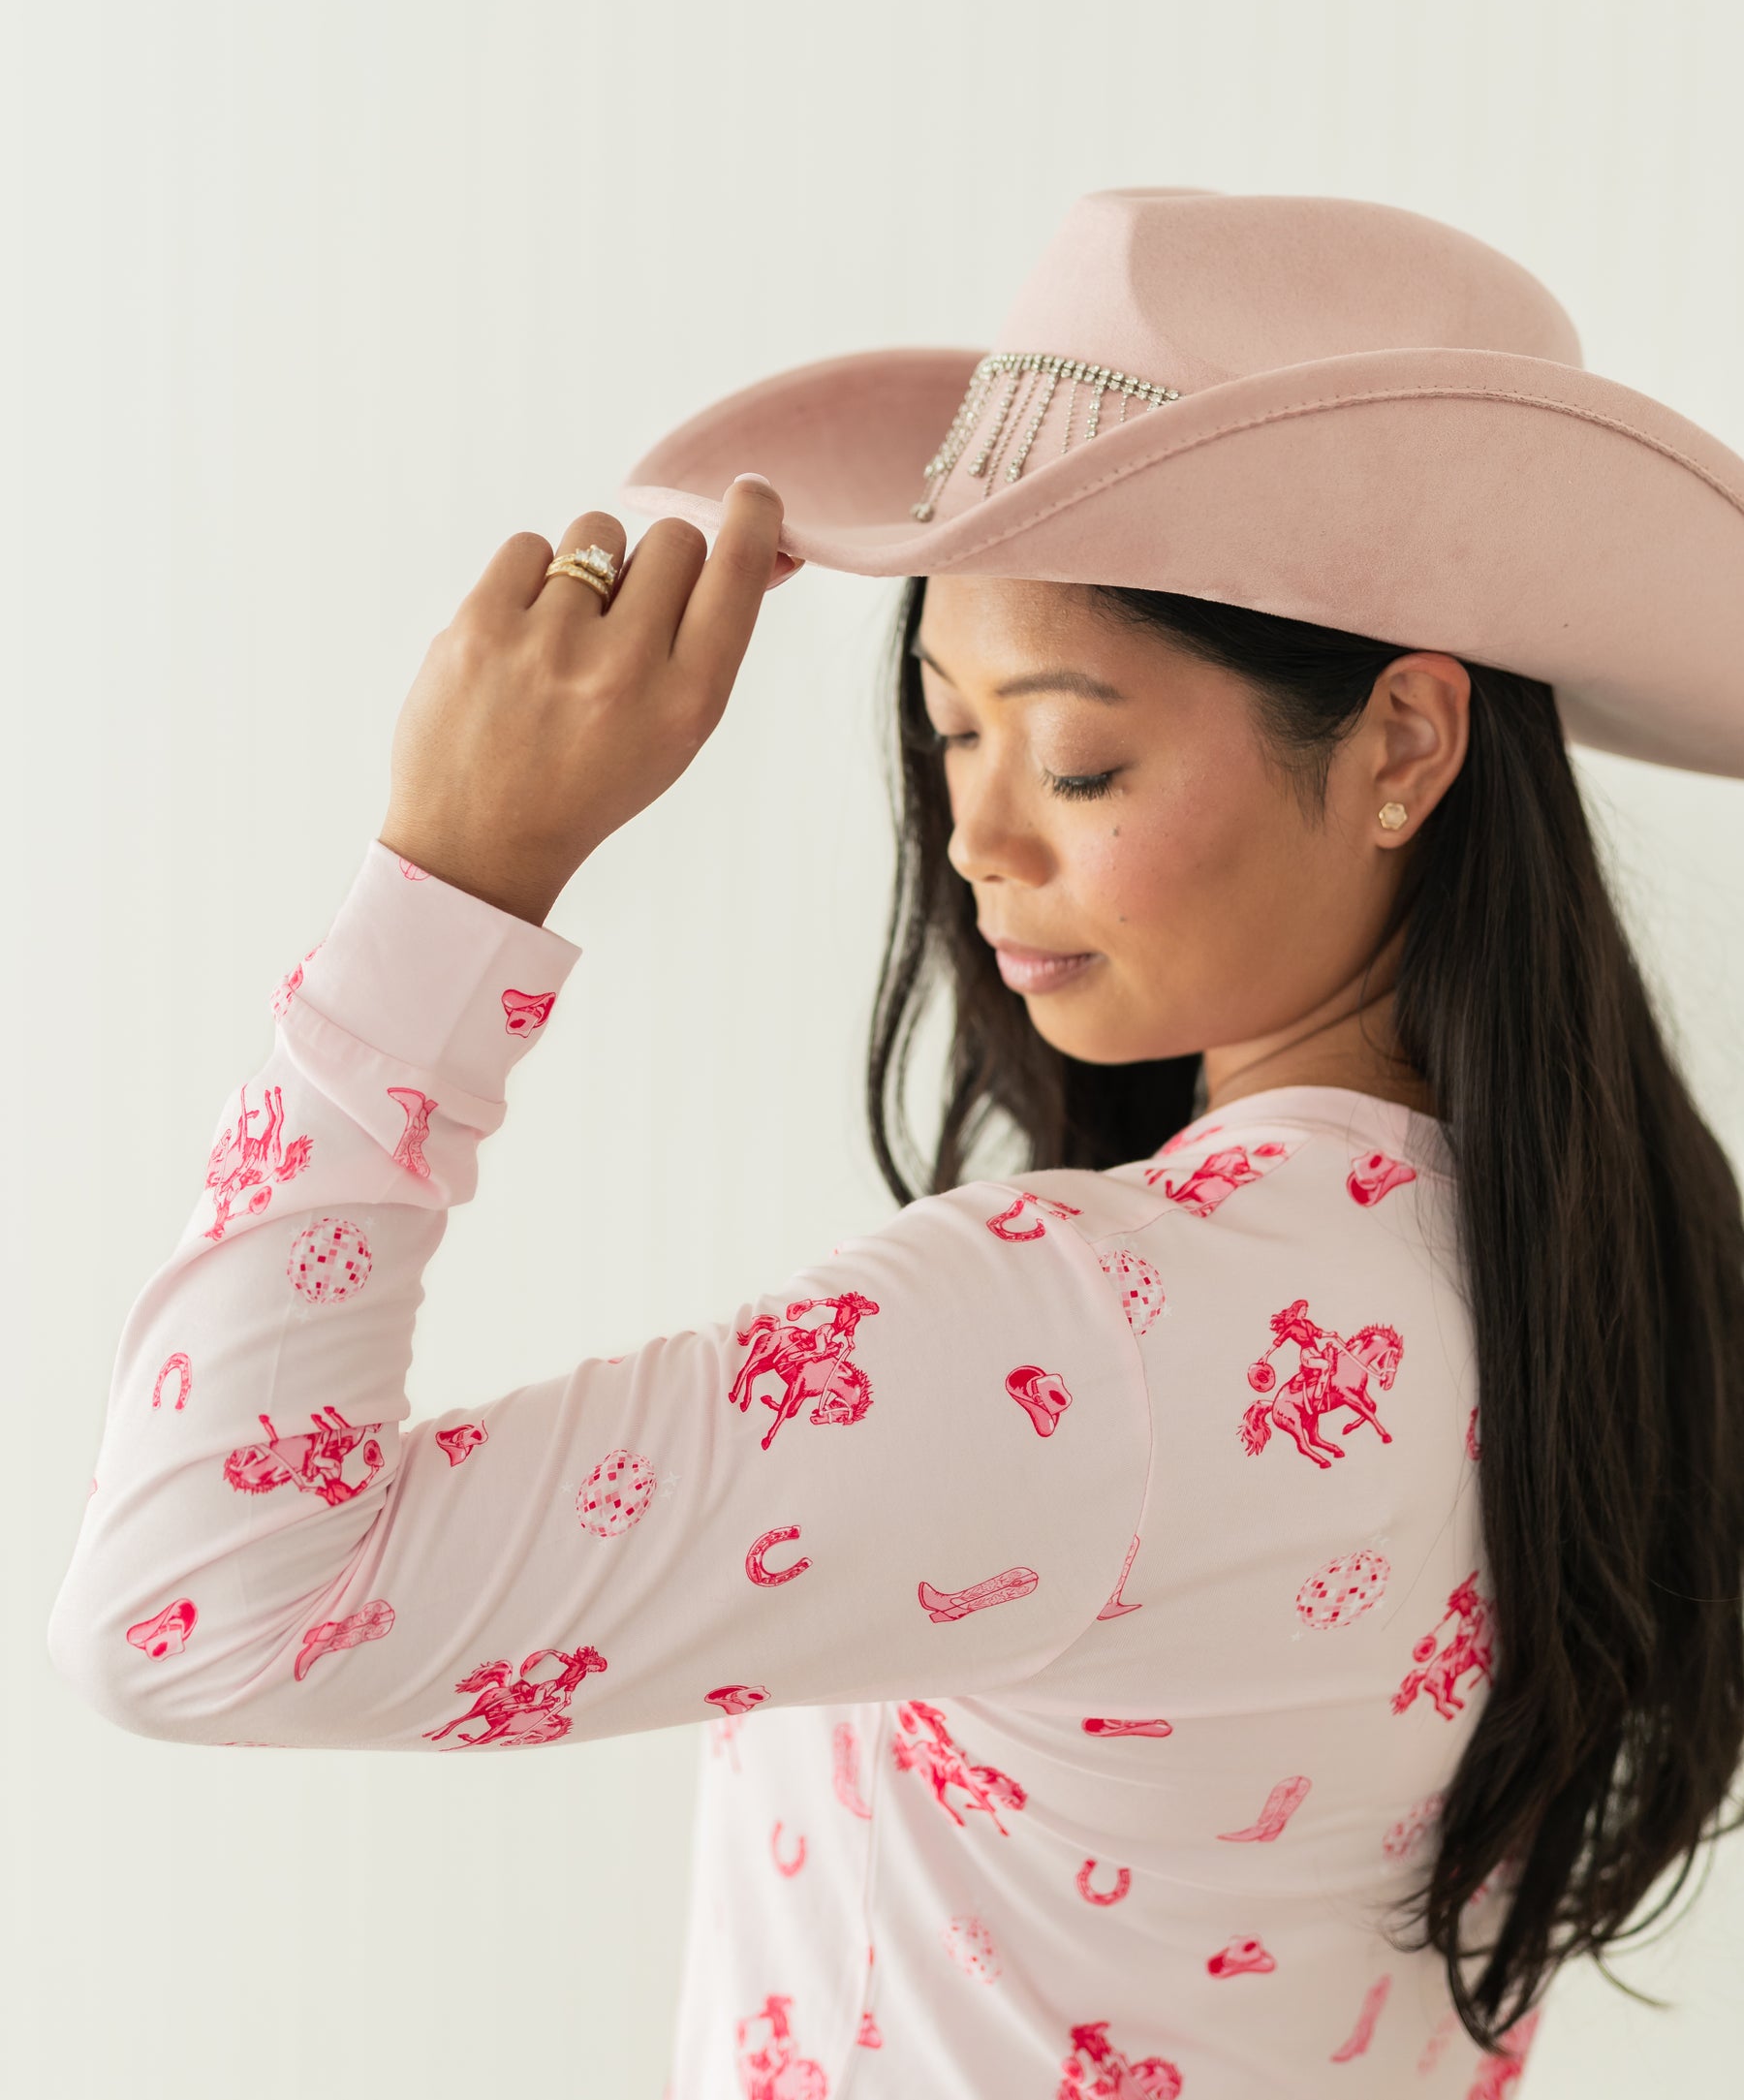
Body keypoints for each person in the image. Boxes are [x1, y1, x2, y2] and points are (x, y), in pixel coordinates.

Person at [47, 188, 1744, 2099]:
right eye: (951, 736)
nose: (980, 843)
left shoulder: (1069, 1346)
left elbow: (198, 1610)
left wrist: (453, 882)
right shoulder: (1629, 1286)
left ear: (1407, 748)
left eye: (1077, 758)